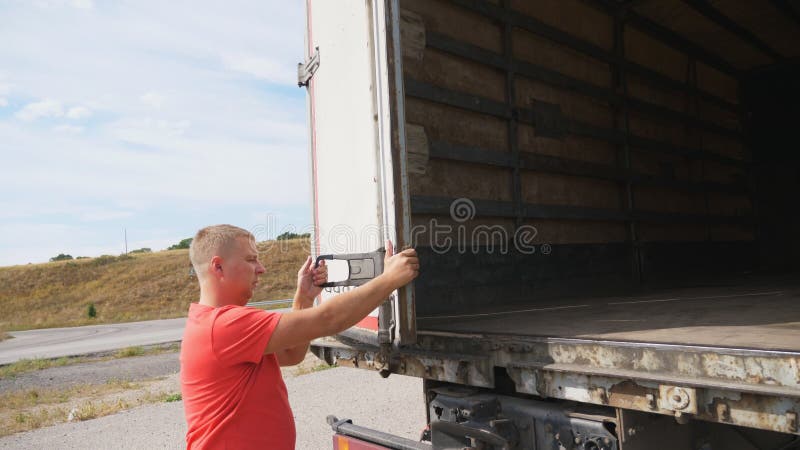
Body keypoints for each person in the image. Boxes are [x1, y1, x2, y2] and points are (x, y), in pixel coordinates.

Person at [179, 224, 419, 449]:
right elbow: (328, 319)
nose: (261, 268)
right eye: (251, 259)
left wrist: (303, 299)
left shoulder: (216, 323)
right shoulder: (224, 326)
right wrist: (389, 279)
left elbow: (291, 353)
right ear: (218, 266)